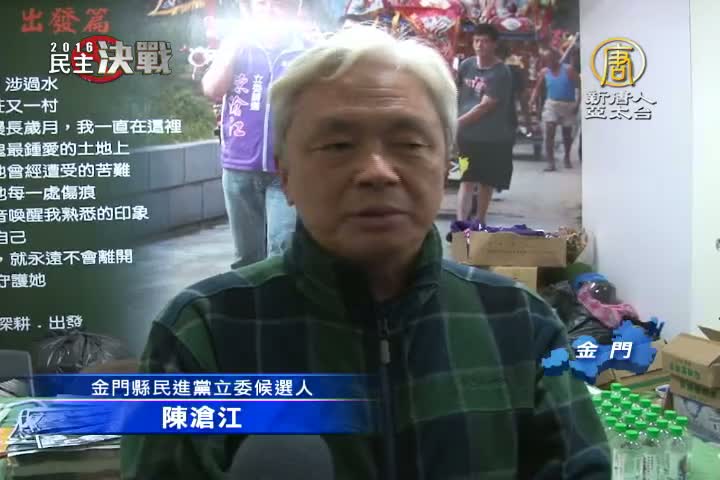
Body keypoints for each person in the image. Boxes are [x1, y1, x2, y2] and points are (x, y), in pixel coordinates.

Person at [121, 25, 610, 480]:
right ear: (284, 173)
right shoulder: (203, 334)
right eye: (338, 145)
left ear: (446, 165)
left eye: (409, 143)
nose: (377, 171)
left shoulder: (521, 323)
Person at [202, 0, 308, 268]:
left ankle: (279, 297)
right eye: (261, 3)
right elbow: (213, 89)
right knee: (247, 258)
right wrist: (232, 46)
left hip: (287, 171)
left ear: (293, 8)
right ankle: (251, 297)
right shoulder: (237, 45)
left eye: (278, 4)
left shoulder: (307, 49)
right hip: (238, 167)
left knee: (282, 254)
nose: (269, 9)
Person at [456, 24, 515, 224]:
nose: (480, 45)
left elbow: (485, 106)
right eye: (477, 41)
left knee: (486, 182)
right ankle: (461, 223)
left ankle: (480, 220)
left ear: (494, 44)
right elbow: (456, 93)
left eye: (485, 41)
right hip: (467, 138)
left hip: (492, 139)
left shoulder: (501, 72)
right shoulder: (466, 65)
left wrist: (456, 123)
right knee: (466, 179)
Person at [529, 47, 580, 171]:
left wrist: (577, 105)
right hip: (552, 104)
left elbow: (581, 87)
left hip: (568, 104)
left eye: (551, 59)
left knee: (567, 134)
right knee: (549, 130)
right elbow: (537, 88)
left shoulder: (568, 70)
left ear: (557, 59)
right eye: (546, 60)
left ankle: (567, 157)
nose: (549, 63)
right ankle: (550, 162)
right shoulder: (544, 72)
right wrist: (532, 100)